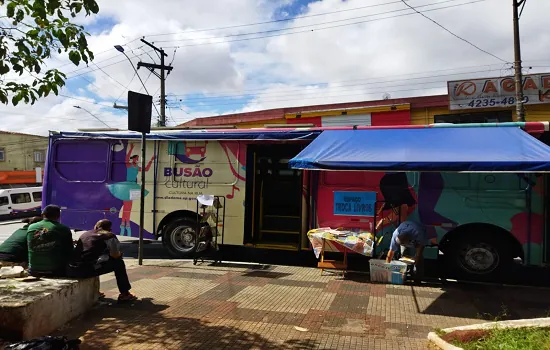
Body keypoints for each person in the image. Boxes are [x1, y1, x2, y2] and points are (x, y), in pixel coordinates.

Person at [67, 219, 137, 302]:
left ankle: (96, 291)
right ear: (109, 229)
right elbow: (115, 255)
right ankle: (125, 294)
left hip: (72, 268)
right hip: (86, 270)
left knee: (96, 260)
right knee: (119, 263)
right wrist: (119, 255)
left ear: (96, 226)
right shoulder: (109, 235)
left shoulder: (85, 234)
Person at [27, 205, 74, 277]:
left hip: (33, 270)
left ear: (42, 215)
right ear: (58, 216)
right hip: (55, 271)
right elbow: (70, 251)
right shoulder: (63, 229)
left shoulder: (31, 227)